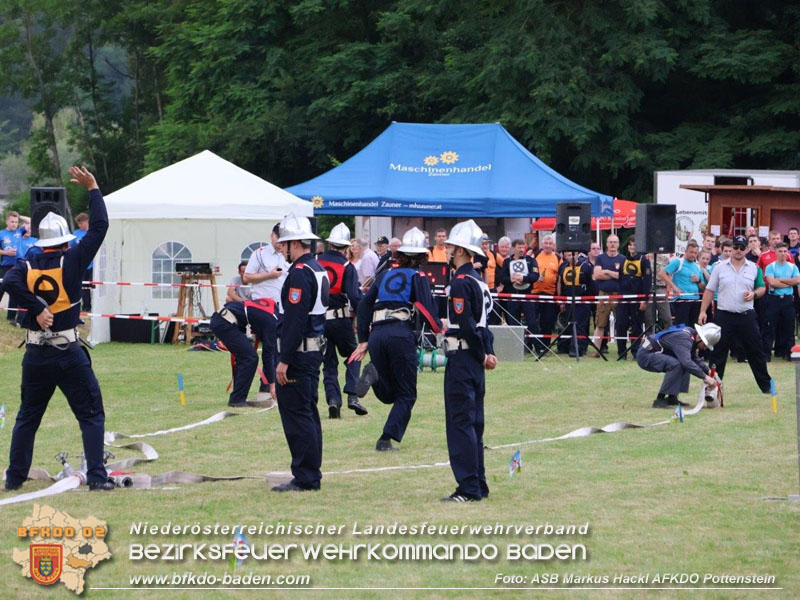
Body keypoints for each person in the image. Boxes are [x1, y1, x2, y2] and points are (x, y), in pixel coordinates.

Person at [3, 166, 114, 492]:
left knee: (28, 417)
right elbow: (99, 226)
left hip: (36, 352)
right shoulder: (74, 257)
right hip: (68, 351)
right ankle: (96, 477)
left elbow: (8, 280)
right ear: (65, 240)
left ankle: (14, 478)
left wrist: (36, 307)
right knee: (91, 415)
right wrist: (93, 188)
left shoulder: (28, 263)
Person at [350, 227, 442, 452]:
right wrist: (439, 329)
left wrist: (363, 339)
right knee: (407, 393)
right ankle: (385, 439)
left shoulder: (383, 276)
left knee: (390, 393)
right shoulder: (418, 276)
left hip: (377, 335)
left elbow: (363, 305)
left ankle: (374, 375)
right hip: (400, 334)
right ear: (421, 256)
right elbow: (425, 308)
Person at [271, 214, 329, 492]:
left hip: (299, 352)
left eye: (284, 244)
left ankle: (306, 476)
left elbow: (294, 319)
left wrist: (284, 360)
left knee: (298, 416)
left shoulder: (299, 273)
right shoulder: (318, 268)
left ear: (294, 243)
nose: (282, 249)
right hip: (312, 349)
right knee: (307, 413)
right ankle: (310, 472)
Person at [441, 220, 497, 502]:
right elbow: (483, 325)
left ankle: (468, 487)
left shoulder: (461, 282)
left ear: (460, 250)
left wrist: (480, 353)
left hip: (463, 358)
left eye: (451, 247)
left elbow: (465, 324)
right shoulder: (479, 281)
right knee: (474, 424)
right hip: (475, 359)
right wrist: (487, 352)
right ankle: (479, 483)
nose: (448, 250)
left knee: (461, 423)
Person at [698, 235, 772, 394]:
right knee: (717, 354)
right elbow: (710, 290)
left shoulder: (754, 268)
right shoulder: (719, 267)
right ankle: (712, 389)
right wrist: (703, 311)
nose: (738, 250)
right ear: (731, 249)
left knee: (756, 352)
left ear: (747, 249)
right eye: (735, 247)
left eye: (741, 247)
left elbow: (762, 288)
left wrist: (754, 294)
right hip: (724, 315)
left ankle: (767, 387)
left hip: (746, 315)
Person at [317, 223, 367, 418]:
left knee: (329, 364)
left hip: (319, 320)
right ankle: (352, 395)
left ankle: (333, 401)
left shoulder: (316, 261)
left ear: (330, 244)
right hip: (340, 319)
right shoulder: (347, 266)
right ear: (346, 247)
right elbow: (354, 297)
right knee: (354, 355)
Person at [243, 224, 288, 402]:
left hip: (282, 307)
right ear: (272, 236)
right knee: (270, 347)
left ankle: (278, 384)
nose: (279, 243)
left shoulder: (289, 255)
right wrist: (268, 275)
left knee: (281, 346)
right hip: (262, 306)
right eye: (278, 238)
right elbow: (247, 277)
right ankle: (267, 386)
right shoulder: (259, 254)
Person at [210, 297, 277, 407]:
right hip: (224, 322)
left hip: (223, 318)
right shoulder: (273, 322)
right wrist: (273, 385)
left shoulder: (273, 308)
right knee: (250, 358)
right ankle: (237, 400)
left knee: (246, 357)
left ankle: (237, 398)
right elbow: (268, 355)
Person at [636, 323, 721, 408]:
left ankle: (672, 397)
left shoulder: (691, 335)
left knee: (683, 362)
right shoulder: (684, 339)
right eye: (705, 345)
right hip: (646, 355)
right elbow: (687, 363)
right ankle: (659, 400)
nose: (705, 348)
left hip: (653, 351)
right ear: (699, 337)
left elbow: (693, 357)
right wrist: (705, 377)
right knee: (676, 364)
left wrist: (707, 370)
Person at [499, 239, 542, 354]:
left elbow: (535, 275)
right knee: (514, 323)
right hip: (512, 296)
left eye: (523, 247)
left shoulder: (531, 261)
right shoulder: (507, 262)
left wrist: (524, 279)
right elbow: (502, 278)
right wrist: (511, 279)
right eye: (519, 247)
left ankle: (538, 347)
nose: (522, 249)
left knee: (532, 322)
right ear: (513, 247)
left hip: (527, 296)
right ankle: (518, 348)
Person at [615, 237, 651, 360]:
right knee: (620, 324)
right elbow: (620, 278)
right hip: (624, 298)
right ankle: (621, 352)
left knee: (636, 326)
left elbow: (647, 281)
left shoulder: (644, 260)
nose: (631, 247)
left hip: (637, 298)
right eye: (630, 245)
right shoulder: (624, 259)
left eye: (634, 245)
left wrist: (644, 299)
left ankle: (636, 352)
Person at [763, 243, 800, 361]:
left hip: (788, 300)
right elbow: (772, 283)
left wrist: (779, 279)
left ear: (788, 253)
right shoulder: (771, 267)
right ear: (776, 252)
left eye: (785, 251)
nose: (783, 254)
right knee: (769, 328)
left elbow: (797, 281)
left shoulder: (792, 267)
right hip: (773, 300)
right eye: (780, 251)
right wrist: (788, 282)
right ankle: (767, 354)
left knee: (789, 328)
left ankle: (789, 353)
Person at [591, 234, 625, 356]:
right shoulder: (600, 258)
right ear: (606, 244)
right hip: (603, 294)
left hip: (618, 294)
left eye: (615, 242)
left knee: (621, 323)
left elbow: (622, 276)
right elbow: (597, 275)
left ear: (618, 244)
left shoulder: (623, 259)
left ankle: (622, 350)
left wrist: (606, 271)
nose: (612, 244)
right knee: (600, 323)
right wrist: (614, 274)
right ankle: (596, 350)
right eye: (610, 242)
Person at [556, 250, 593, 356]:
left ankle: (578, 348)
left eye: (571, 255)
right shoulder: (563, 266)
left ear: (577, 254)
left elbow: (591, 284)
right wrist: (561, 301)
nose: (569, 257)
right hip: (567, 300)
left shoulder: (585, 266)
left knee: (580, 325)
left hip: (582, 300)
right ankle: (564, 346)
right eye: (567, 255)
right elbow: (560, 283)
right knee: (567, 324)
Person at [660, 240, 704, 327]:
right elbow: (662, 273)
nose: (693, 255)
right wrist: (674, 287)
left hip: (696, 300)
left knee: (694, 327)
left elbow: (704, 287)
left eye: (695, 253)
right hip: (682, 300)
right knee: (682, 327)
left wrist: (698, 281)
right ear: (686, 251)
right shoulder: (678, 262)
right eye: (691, 252)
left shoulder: (697, 266)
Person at [533, 235, 560, 356]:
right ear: (542, 245)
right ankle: (533, 344)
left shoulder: (558, 258)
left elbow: (560, 277)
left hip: (550, 294)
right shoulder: (535, 256)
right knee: (533, 321)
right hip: (534, 293)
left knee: (547, 321)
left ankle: (545, 345)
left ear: (554, 246)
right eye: (546, 243)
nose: (548, 245)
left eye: (550, 243)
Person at [0, 210, 23, 323]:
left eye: (16, 221)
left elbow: (31, 222)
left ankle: (11, 317)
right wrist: (5, 253)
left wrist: (20, 215)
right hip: (5, 266)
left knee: (15, 290)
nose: (14, 224)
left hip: (18, 265)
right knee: (1, 288)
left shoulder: (19, 231)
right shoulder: (1, 233)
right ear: (7, 222)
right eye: (12, 221)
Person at [70, 212, 94, 311]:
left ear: (86, 221)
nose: (80, 225)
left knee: (93, 286)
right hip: (81, 264)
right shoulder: (76, 233)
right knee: (83, 286)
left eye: (81, 223)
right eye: (78, 223)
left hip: (92, 265)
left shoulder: (92, 232)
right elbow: (70, 246)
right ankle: (86, 306)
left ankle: (95, 305)